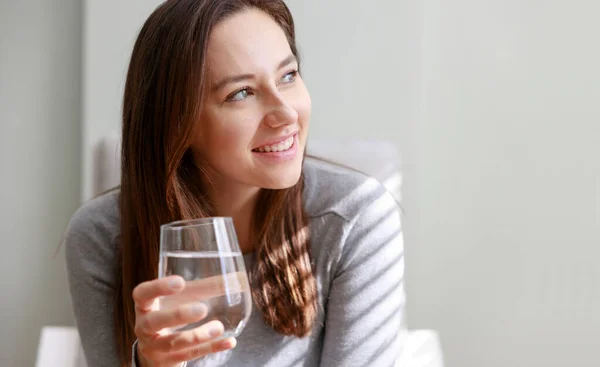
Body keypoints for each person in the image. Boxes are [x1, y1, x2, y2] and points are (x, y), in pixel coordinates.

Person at [64, 0, 405, 366]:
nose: (286, 113)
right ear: (178, 123)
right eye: (241, 93)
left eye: (288, 75)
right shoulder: (102, 236)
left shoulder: (355, 217)